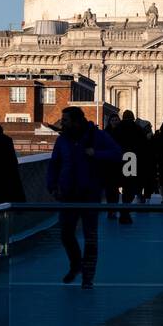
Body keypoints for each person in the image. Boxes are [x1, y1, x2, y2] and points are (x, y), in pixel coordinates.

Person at [46, 107, 122, 288]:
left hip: (90, 193)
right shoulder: (62, 140)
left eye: (65, 120)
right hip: (67, 193)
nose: (61, 122)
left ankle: (88, 275)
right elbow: (54, 163)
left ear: (76, 121)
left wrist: (96, 154)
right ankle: (76, 264)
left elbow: (118, 153)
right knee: (65, 234)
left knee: (91, 237)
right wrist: (52, 186)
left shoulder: (98, 136)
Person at [112, 110, 149, 220]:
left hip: (120, 159)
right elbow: (144, 146)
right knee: (129, 186)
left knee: (122, 184)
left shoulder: (117, 129)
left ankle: (121, 209)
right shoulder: (137, 128)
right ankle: (126, 210)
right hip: (132, 160)